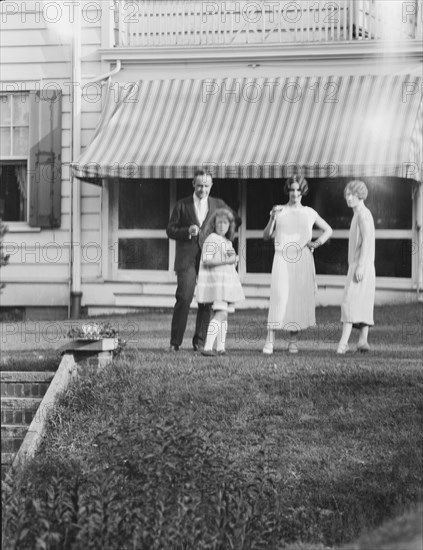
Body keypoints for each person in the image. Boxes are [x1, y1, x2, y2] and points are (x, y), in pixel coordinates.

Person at [262, 175, 333, 355]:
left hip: (302, 258)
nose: (295, 193)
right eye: (292, 190)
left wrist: (316, 243)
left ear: (303, 192)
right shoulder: (279, 210)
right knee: (279, 297)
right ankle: (269, 341)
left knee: (297, 299)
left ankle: (293, 341)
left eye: (298, 190)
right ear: (288, 191)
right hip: (282, 257)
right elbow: (266, 235)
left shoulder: (309, 212)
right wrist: (272, 217)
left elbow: (328, 229)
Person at [167, 170, 234, 352]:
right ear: (193, 184)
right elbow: (170, 230)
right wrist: (187, 231)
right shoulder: (182, 205)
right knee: (184, 297)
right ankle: (175, 343)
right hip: (186, 259)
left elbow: (235, 221)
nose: (203, 189)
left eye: (206, 186)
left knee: (206, 301)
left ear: (211, 186)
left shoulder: (218, 204)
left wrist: (219, 236)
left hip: (209, 260)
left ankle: (200, 341)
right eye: (199, 185)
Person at [196, 208, 245, 356]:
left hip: (227, 285)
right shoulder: (212, 238)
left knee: (225, 315)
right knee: (220, 314)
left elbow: (233, 258)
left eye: (225, 223)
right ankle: (208, 347)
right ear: (214, 224)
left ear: (230, 226)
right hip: (218, 284)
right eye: (219, 222)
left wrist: (233, 260)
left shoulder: (226, 242)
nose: (222, 226)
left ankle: (220, 347)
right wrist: (229, 259)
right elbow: (207, 260)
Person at [337, 180, 376, 354]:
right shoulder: (358, 214)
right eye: (347, 194)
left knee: (349, 302)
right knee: (361, 302)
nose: (349, 198)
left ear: (360, 195)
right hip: (360, 264)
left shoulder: (363, 214)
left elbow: (366, 240)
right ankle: (362, 341)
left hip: (362, 265)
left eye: (352, 194)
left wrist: (360, 266)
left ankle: (343, 344)